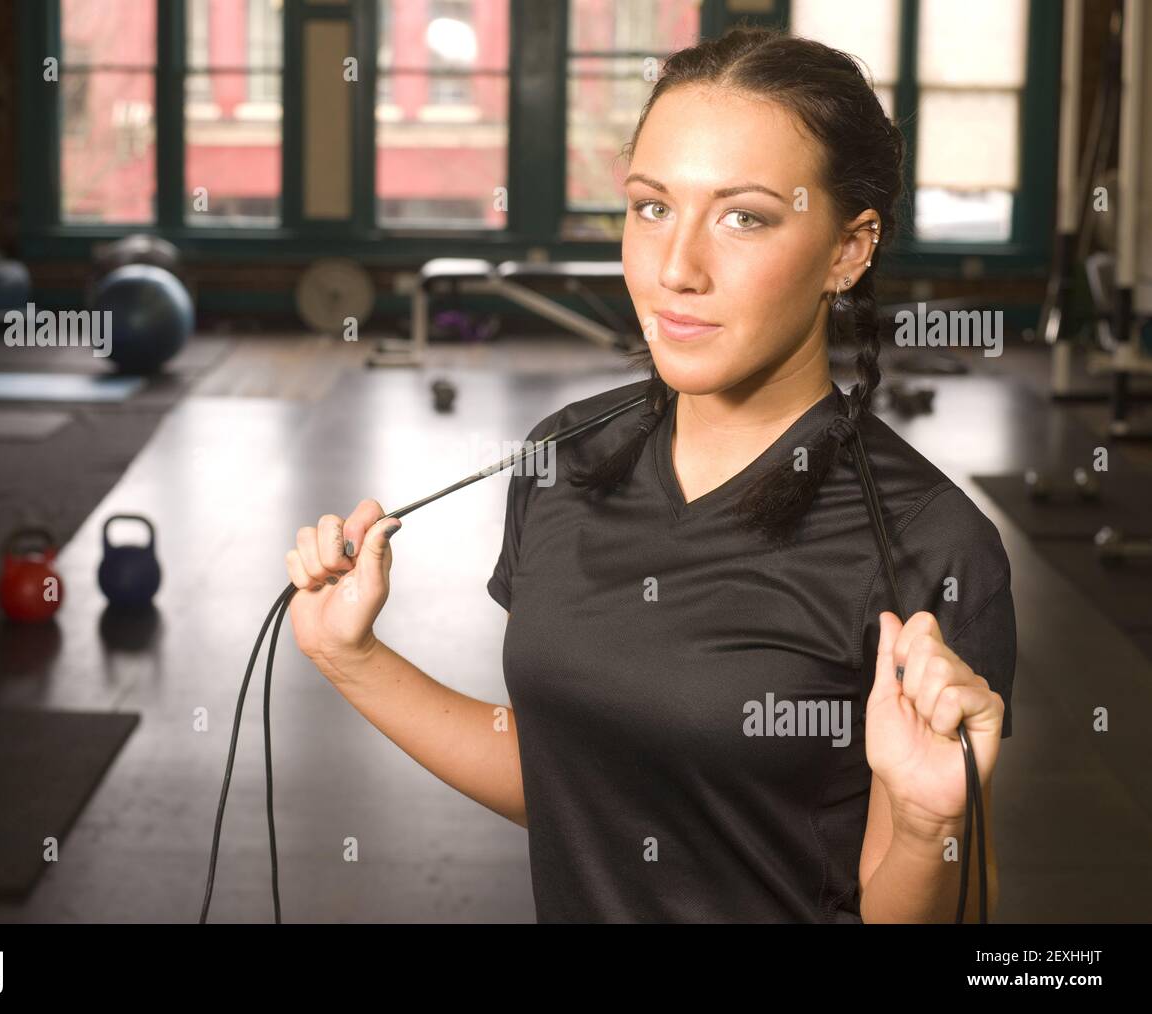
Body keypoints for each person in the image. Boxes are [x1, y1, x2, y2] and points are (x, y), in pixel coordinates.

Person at [285, 26, 1015, 924]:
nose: (676, 270)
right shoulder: (563, 461)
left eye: (744, 216)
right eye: (652, 207)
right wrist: (346, 656)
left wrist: (923, 820)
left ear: (848, 250)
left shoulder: (929, 544)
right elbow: (570, 777)